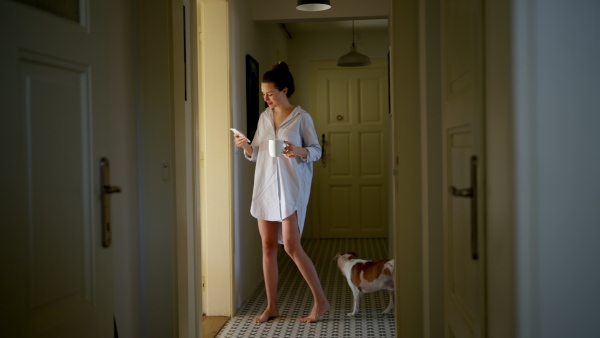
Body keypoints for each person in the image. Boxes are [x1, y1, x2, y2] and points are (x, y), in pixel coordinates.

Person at [234, 62, 330, 323]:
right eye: (263, 94)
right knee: (267, 247)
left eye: (270, 93)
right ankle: (272, 306)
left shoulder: (301, 117)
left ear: (284, 90)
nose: (266, 98)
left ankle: (321, 301)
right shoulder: (264, 118)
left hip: (291, 188)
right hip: (265, 187)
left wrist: (297, 151)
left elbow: (316, 151)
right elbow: (257, 154)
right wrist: (246, 146)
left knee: (291, 246)